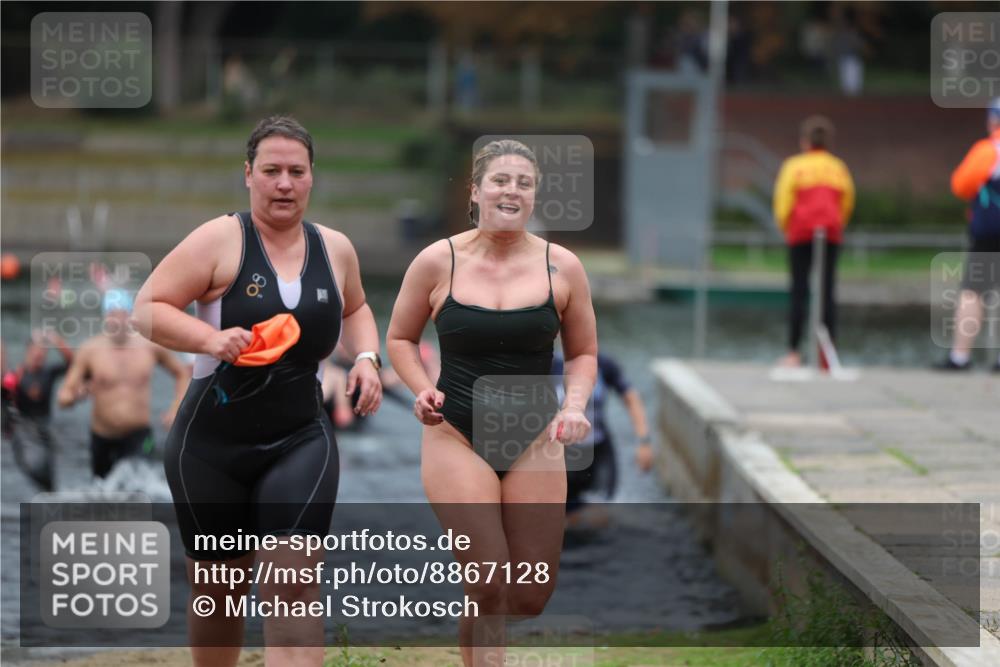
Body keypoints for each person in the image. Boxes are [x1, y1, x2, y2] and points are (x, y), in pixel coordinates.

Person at [132, 115, 382, 667]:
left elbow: (358, 307)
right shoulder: (221, 239)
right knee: (220, 592)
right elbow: (147, 310)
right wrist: (210, 337)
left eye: (296, 171)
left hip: (301, 438)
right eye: (271, 171)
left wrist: (366, 357)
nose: (284, 183)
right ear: (248, 175)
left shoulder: (335, 248)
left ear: (313, 177)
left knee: (292, 582)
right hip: (211, 448)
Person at [387, 139, 598, 667]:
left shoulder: (563, 267)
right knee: (486, 580)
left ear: (534, 195)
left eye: (524, 183)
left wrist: (574, 406)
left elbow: (585, 352)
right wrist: (421, 388)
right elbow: (399, 339)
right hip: (455, 431)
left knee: (528, 595)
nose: (512, 191)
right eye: (501, 180)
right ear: (476, 190)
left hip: (535, 438)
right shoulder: (438, 261)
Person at [57, 290, 190, 478]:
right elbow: (63, 397)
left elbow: (182, 372)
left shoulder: (150, 346)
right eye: (112, 314)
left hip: (139, 436)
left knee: (141, 493)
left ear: (131, 316)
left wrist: (176, 408)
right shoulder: (90, 350)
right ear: (105, 317)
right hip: (102, 438)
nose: (117, 320)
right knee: (105, 495)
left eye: (122, 314)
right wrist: (76, 396)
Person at [772, 115, 855, 368]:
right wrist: (838, 225)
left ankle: (793, 352)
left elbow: (783, 201)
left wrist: (786, 227)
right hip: (829, 233)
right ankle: (826, 354)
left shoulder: (793, 166)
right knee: (827, 291)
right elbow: (847, 202)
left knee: (799, 290)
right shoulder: (838, 167)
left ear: (804, 142)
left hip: (800, 233)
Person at [936, 99, 1000, 372]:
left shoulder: (987, 150)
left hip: (988, 231)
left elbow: (960, 185)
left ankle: (960, 356)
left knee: (973, 292)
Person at [551, 352, 653, 515]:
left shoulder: (604, 365)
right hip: (562, 453)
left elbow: (631, 399)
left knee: (604, 510)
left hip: (598, 450)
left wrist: (644, 441)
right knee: (561, 512)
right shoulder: (550, 367)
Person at [6, 330, 73, 490]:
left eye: (43, 350)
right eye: (36, 349)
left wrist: (56, 340)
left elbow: (72, 362)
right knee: (29, 467)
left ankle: (50, 495)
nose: (40, 354)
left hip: (44, 426)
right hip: (24, 428)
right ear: (28, 350)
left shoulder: (48, 373)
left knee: (48, 472)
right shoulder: (16, 375)